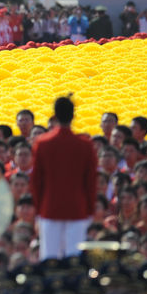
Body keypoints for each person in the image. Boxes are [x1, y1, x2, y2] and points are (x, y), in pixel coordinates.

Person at [30, 96, 98, 260]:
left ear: (54, 115)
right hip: (77, 209)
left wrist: (39, 209)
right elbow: (90, 182)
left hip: (49, 208)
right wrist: (89, 209)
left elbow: (36, 181)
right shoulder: (85, 145)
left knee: (50, 258)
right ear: (73, 115)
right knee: (74, 259)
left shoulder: (43, 143)